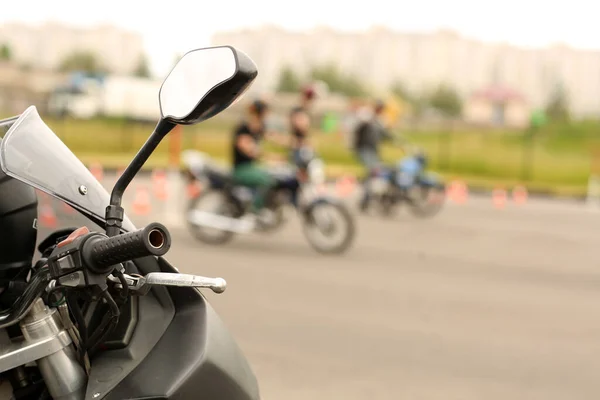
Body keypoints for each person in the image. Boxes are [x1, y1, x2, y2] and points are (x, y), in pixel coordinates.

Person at [231, 99, 276, 214]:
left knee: (274, 174)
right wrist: (270, 157)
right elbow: (248, 148)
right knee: (267, 181)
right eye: (265, 114)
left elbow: (274, 138)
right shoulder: (244, 128)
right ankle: (256, 210)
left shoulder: (258, 128)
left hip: (251, 167)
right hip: (242, 169)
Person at [353, 99, 395, 212]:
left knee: (376, 173)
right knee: (373, 171)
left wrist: (395, 140)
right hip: (364, 149)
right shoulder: (366, 117)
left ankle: (369, 198)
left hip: (373, 150)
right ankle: (366, 198)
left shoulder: (379, 121)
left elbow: (385, 134)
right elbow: (357, 127)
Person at [289, 85, 318, 167]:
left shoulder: (307, 111)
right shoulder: (298, 110)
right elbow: (300, 126)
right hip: (298, 146)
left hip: (305, 146)